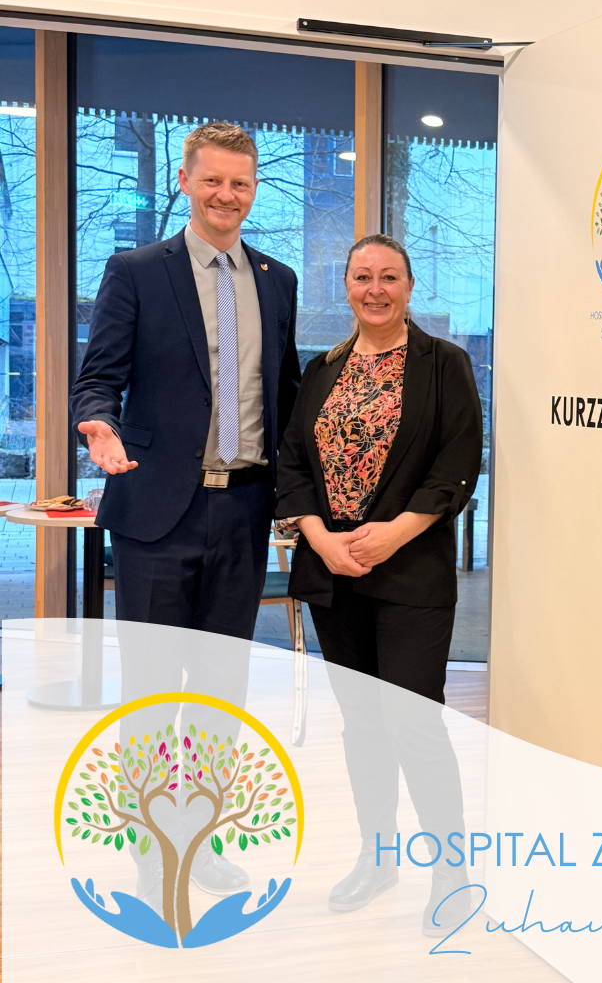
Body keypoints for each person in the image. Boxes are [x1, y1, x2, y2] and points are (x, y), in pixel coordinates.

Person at [69, 122, 301, 903]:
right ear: (185, 181)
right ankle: (146, 846)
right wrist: (96, 424)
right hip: (157, 511)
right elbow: (98, 376)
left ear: (253, 189)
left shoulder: (276, 279)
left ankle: (199, 839)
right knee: (150, 690)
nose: (226, 195)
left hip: (244, 510)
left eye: (240, 183)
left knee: (219, 692)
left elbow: (285, 391)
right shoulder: (136, 271)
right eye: (213, 181)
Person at [275, 232, 482, 935]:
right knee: (363, 723)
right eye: (362, 277)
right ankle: (378, 857)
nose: (375, 289)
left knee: (413, 723)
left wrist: (395, 532)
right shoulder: (321, 370)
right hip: (335, 575)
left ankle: (452, 874)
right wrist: (320, 538)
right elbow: (293, 462)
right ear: (346, 287)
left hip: (411, 572)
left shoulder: (443, 364)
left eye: (388, 277)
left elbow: (458, 462)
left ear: (410, 286)